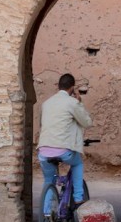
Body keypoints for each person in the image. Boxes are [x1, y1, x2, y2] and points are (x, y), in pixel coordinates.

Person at [37, 73, 93, 206]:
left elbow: (42, 125)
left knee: (48, 181)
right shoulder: (73, 103)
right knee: (77, 163)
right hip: (64, 151)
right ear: (72, 88)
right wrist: (79, 103)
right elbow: (87, 122)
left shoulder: (46, 103)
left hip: (43, 152)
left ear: (58, 86)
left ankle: (46, 214)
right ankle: (78, 197)